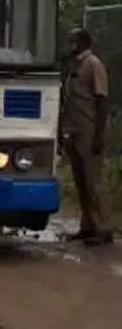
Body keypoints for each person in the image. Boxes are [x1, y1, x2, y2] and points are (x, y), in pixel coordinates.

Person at [61, 28, 113, 246]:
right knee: (81, 182)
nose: (69, 44)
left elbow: (102, 100)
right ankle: (88, 226)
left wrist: (99, 135)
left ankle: (104, 228)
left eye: (73, 41)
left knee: (93, 181)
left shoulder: (93, 64)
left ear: (82, 42)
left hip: (90, 131)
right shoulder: (75, 66)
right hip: (75, 130)